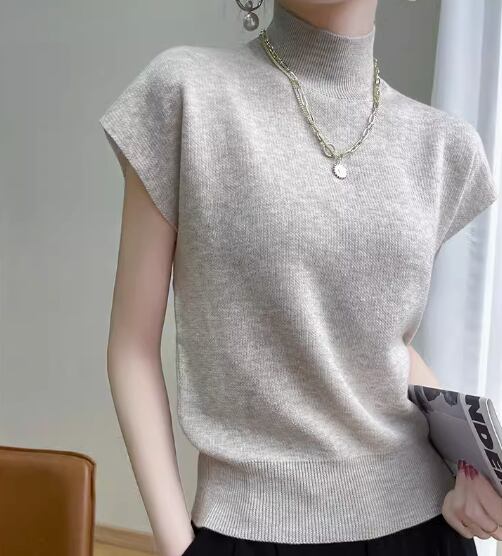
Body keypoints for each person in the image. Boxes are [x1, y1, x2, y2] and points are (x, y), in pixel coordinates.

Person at [98, 0, 502, 554]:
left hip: (425, 524)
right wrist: (177, 546)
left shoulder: (442, 146)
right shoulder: (187, 95)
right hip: (250, 528)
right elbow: (131, 347)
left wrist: (469, 467)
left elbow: (382, 345)